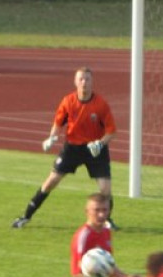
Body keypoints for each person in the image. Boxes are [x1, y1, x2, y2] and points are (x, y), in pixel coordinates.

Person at [12, 66, 119, 229]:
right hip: (73, 148)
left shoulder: (101, 105)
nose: (84, 83)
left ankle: (107, 220)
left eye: (87, 79)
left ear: (92, 82)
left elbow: (111, 131)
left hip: (95, 149)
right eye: (81, 79)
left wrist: (100, 143)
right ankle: (26, 216)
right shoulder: (68, 101)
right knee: (51, 182)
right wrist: (51, 138)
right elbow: (58, 123)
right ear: (75, 82)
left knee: (105, 189)